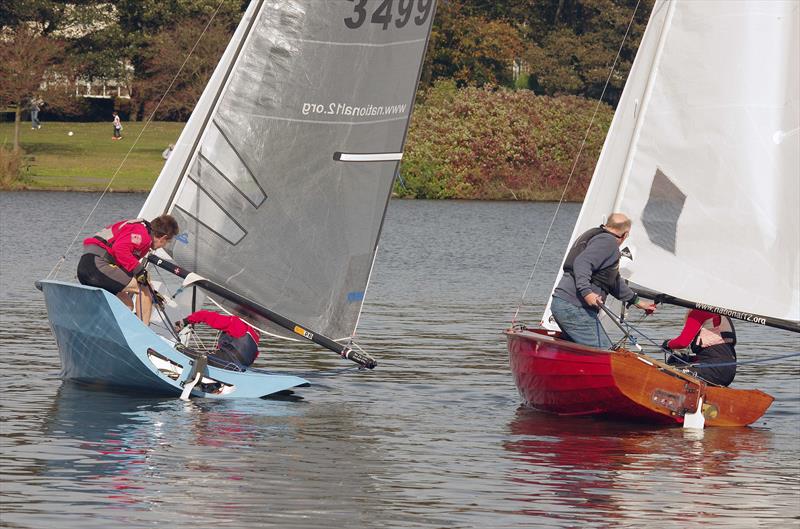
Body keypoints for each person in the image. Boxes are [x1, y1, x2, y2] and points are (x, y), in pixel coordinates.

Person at [550, 212, 656, 348]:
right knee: (606, 353)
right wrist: (587, 292)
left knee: (585, 352)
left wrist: (637, 302)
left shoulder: (595, 235)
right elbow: (582, 262)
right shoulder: (608, 242)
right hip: (575, 307)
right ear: (626, 235)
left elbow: (613, 280)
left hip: (563, 302)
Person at [77, 214, 179, 326]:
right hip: (97, 266)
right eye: (167, 242)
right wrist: (141, 273)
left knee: (127, 305)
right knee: (143, 289)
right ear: (163, 237)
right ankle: (143, 331)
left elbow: (124, 268)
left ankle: (103, 326)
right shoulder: (143, 235)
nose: (164, 246)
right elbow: (120, 249)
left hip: (87, 267)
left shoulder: (138, 228)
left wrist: (151, 292)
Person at [662, 309, 737, 386]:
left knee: (665, 372)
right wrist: (690, 359)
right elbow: (715, 352)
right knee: (676, 361)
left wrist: (668, 344)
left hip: (714, 369)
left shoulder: (699, 312)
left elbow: (683, 342)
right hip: (729, 371)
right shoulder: (723, 315)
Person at [175, 310, 261, 367]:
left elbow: (207, 316)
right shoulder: (256, 335)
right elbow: (254, 355)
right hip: (238, 369)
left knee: (179, 349)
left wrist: (185, 321)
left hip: (226, 362)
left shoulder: (238, 324)